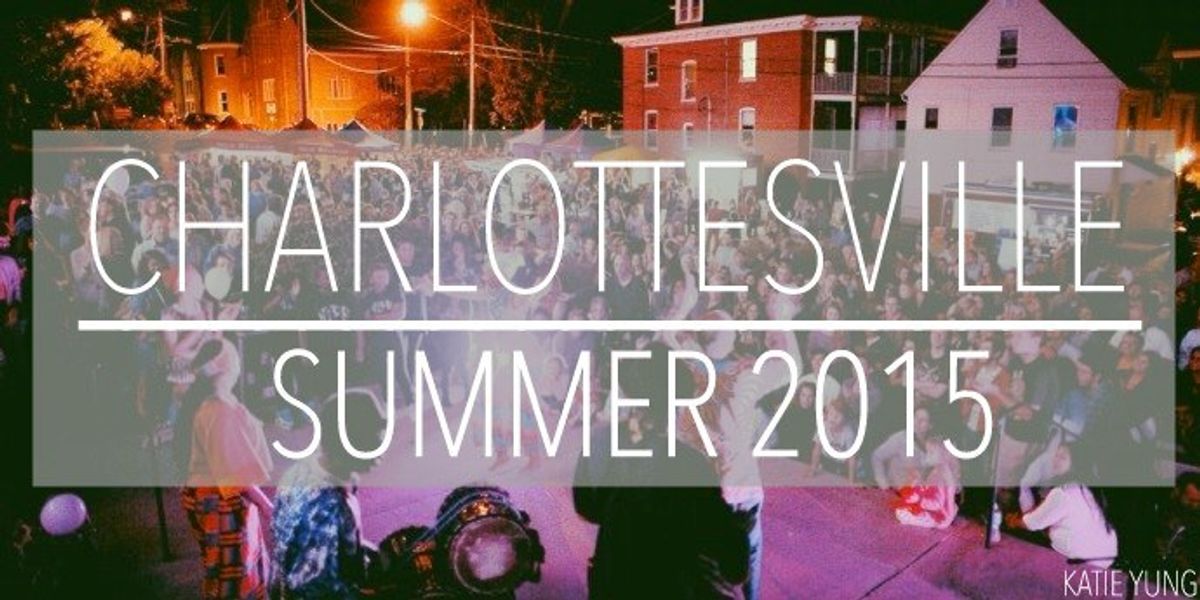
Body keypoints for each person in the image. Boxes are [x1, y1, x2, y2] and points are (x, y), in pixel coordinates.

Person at [573, 342, 750, 599]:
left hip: (610, 581)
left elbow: (587, 507)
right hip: (667, 587)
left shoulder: (597, 442)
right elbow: (734, 566)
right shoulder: (689, 464)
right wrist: (739, 527)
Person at [179, 338, 275, 599]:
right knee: (233, 578)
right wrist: (267, 506)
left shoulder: (209, 401)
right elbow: (234, 476)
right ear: (229, 367)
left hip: (208, 498)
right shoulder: (220, 409)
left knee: (221, 570)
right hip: (221, 503)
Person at [272, 389, 388, 598]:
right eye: (373, 436)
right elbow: (315, 590)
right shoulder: (325, 509)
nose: (381, 445)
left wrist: (364, 549)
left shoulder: (305, 468)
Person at [1006, 483, 1118, 568]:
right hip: (1106, 558)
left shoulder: (1064, 492)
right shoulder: (1089, 489)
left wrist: (1013, 521)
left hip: (1080, 563)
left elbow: (1032, 523)